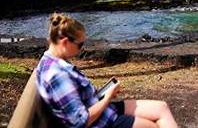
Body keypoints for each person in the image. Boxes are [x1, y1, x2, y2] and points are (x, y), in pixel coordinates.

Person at [36, 13, 178, 128]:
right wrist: (108, 96)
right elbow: (80, 122)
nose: (82, 49)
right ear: (65, 42)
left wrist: (103, 94)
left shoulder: (54, 62)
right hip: (102, 122)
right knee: (152, 126)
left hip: (103, 111)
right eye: (80, 45)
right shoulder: (57, 75)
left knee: (162, 108)